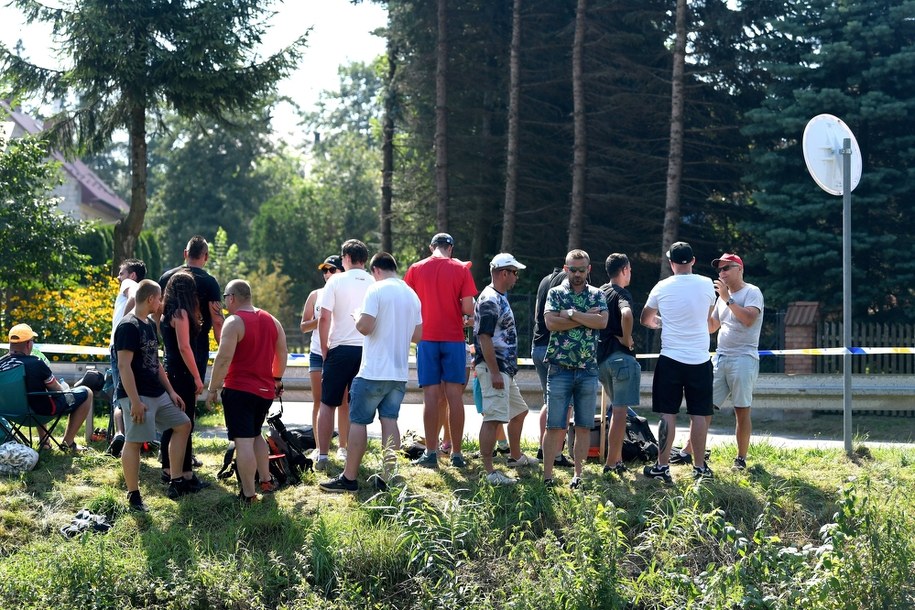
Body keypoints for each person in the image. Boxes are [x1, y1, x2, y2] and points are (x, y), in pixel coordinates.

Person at [319, 253, 422, 493]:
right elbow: (418, 336)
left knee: (358, 421)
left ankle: (349, 477)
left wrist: (356, 318)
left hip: (373, 370)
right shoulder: (411, 294)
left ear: (375, 270)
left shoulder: (376, 291)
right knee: (389, 421)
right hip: (398, 372)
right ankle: (388, 476)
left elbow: (365, 327)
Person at [674, 253, 764, 471]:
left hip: (744, 358)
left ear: (739, 269)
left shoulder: (752, 292)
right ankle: (690, 451)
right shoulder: (721, 298)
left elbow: (749, 319)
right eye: (720, 270)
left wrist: (727, 299)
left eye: (726, 268)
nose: (721, 273)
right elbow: (712, 326)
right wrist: (703, 305)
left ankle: (741, 458)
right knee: (703, 407)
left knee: (741, 410)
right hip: (721, 357)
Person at [640, 241, 716, 483]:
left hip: (671, 357)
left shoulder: (662, 287)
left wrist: (662, 322)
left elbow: (645, 318)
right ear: (693, 261)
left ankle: (662, 467)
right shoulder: (706, 284)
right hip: (700, 358)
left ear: (671, 263)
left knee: (667, 414)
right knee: (699, 414)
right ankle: (700, 468)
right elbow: (707, 317)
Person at [207, 279, 287, 503]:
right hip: (264, 392)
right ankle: (266, 479)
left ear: (231, 298)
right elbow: (282, 353)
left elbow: (223, 359)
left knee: (243, 442)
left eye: (225, 298)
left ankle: (249, 495)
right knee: (255, 435)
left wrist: (212, 389)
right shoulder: (273, 321)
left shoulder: (234, 322)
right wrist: (277, 380)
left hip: (239, 390)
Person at [114, 280, 192, 511]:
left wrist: (171, 391)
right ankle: (133, 494)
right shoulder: (128, 326)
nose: (161, 303)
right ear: (150, 299)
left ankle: (175, 481)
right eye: (159, 299)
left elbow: (155, 362)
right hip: (138, 396)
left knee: (183, 424)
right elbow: (123, 366)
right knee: (135, 441)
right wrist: (135, 401)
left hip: (157, 393)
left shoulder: (148, 323)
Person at [404, 232, 477, 468]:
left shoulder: (416, 269)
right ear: (451, 248)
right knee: (455, 397)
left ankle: (431, 453)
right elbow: (468, 307)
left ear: (431, 247)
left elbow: (408, 303)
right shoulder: (461, 269)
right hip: (454, 338)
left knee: (431, 398)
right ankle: (456, 454)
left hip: (426, 338)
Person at [541, 250, 608, 489]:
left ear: (589, 269)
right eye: (573, 269)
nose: (577, 274)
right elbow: (550, 323)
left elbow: (602, 322)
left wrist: (569, 314)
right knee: (554, 426)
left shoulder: (597, 294)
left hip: (588, 369)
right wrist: (583, 318)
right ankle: (547, 477)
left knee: (583, 426)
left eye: (581, 270)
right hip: (559, 368)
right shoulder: (555, 292)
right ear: (565, 268)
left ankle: (578, 476)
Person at [158, 235, 223, 469]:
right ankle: (179, 461)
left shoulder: (167, 277)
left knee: (173, 403)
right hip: (195, 347)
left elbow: (157, 312)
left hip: (169, 346)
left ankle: (173, 456)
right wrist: (224, 351)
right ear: (205, 256)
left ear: (185, 253)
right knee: (187, 405)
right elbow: (217, 323)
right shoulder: (209, 282)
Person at [474, 253, 537, 486]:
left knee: (519, 412)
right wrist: (494, 372)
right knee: (493, 419)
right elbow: (484, 337)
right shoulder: (490, 299)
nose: (516, 277)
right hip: (496, 369)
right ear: (503, 273)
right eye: (514, 272)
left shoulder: (499, 296)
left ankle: (515, 457)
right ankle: (489, 471)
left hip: (504, 369)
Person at [315, 239, 373, 471]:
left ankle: (322, 456)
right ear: (365, 259)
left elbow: (324, 317)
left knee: (327, 403)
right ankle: (352, 452)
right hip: (366, 349)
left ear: (345, 258)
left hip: (339, 347)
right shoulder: (373, 281)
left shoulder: (336, 280)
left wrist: (324, 347)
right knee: (359, 407)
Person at [0, 323, 92, 451]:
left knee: (38, 395)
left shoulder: (1, 364)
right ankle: (68, 443)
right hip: (40, 413)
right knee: (87, 392)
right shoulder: (36, 362)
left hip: (11, 414)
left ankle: (45, 443)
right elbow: (57, 390)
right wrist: (66, 389)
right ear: (28, 344)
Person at [159, 271, 208, 491]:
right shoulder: (180, 313)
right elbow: (184, 347)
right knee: (185, 423)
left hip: (172, 372)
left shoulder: (166, 312)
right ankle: (184, 474)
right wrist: (197, 376)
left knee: (175, 423)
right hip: (182, 373)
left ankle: (171, 469)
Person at [596, 253, 641, 477]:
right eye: (630, 270)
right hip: (620, 358)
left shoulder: (598, 292)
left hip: (600, 360)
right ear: (624, 269)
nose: (630, 274)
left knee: (615, 409)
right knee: (621, 411)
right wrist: (626, 338)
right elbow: (626, 313)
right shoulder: (621, 293)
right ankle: (612, 463)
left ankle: (618, 459)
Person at [531, 267, 574, 467]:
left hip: (537, 345)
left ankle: (543, 448)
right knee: (566, 404)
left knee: (548, 401)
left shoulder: (544, 280)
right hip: (553, 349)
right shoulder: (565, 284)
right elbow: (563, 316)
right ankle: (556, 453)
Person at [300, 255, 345, 437]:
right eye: (324, 270)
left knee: (343, 402)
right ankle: (319, 447)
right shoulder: (315, 295)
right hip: (318, 352)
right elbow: (303, 326)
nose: (327, 274)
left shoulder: (347, 294)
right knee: (318, 401)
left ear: (342, 271)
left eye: (332, 269)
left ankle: (343, 446)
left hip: (339, 352)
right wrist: (322, 319)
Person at [107, 258, 146, 457]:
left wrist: (123, 321)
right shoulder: (145, 294)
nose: (118, 277)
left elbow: (133, 295)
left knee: (119, 394)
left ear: (132, 275)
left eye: (121, 273)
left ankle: (121, 435)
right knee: (132, 391)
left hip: (119, 345)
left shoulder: (130, 283)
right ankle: (136, 437)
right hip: (133, 346)